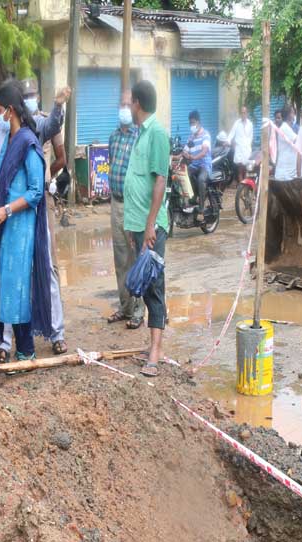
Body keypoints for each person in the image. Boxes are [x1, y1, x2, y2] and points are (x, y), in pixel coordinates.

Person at [0, 79, 52, 361]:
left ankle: (26, 349)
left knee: (20, 285)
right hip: (6, 228)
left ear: (10, 111)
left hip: (21, 226)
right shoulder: (9, 141)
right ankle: (15, 346)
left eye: (0, 110)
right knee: (8, 284)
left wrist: (7, 210)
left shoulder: (28, 142)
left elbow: (36, 191)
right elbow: (2, 181)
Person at [17, 77, 71, 355]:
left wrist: (59, 105)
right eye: (25, 94)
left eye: (33, 93)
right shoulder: (12, 126)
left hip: (42, 201)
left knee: (49, 266)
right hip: (18, 205)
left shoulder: (41, 122)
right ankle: (20, 335)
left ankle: (57, 333)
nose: (29, 98)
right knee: (20, 267)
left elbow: (54, 133)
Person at [124, 80, 169, 378]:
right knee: (142, 282)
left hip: (151, 225)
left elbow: (160, 181)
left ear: (138, 103)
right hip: (138, 224)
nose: (127, 107)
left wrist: (150, 224)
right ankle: (153, 343)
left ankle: (155, 350)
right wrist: (132, 226)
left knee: (154, 285)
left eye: (130, 102)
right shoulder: (140, 133)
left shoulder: (157, 133)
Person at [106, 90, 144, 330]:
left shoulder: (140, 137)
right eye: (121, 104)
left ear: (135, 107)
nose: (123, 108)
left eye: (128, 104)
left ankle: (139, 310)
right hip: (116, 203)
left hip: (134, 205)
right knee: (120, 258)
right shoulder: (113, 137)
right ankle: (125, 306)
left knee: (137, 257)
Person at [182, 110, 212, 219]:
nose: (192, 125)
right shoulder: (191, 137)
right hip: (194, 165)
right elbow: (185, 150)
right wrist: (180, 154)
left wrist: (193, 157)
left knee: (200, 179)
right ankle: (192, 199)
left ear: (198, 122)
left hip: (204, 165)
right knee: (184, 175)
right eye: (190, 123)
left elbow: (204, 151)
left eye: (193, 123)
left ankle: (202, 207)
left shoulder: (206, 135)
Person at [229, 106, 253, 183]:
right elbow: (231, 133)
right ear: (240, 114)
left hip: (247, 150)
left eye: (244, 113)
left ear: (247, 113)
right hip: (239, 149)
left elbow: (250, 137)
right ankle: (241, 189)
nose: (243, 114)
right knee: (240, 170)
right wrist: (228, 141)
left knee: (246, 170)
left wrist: (248, 146)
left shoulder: (250, 124)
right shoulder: (237, 123)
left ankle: (245, 188)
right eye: (242, 113)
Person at [273, 107, 298, 182]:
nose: (294, 115)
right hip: (285, 173)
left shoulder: (287, 128)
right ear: (289, 115)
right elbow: (299, 140)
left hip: (287, 172)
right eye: (293, 113)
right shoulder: (285, 128)